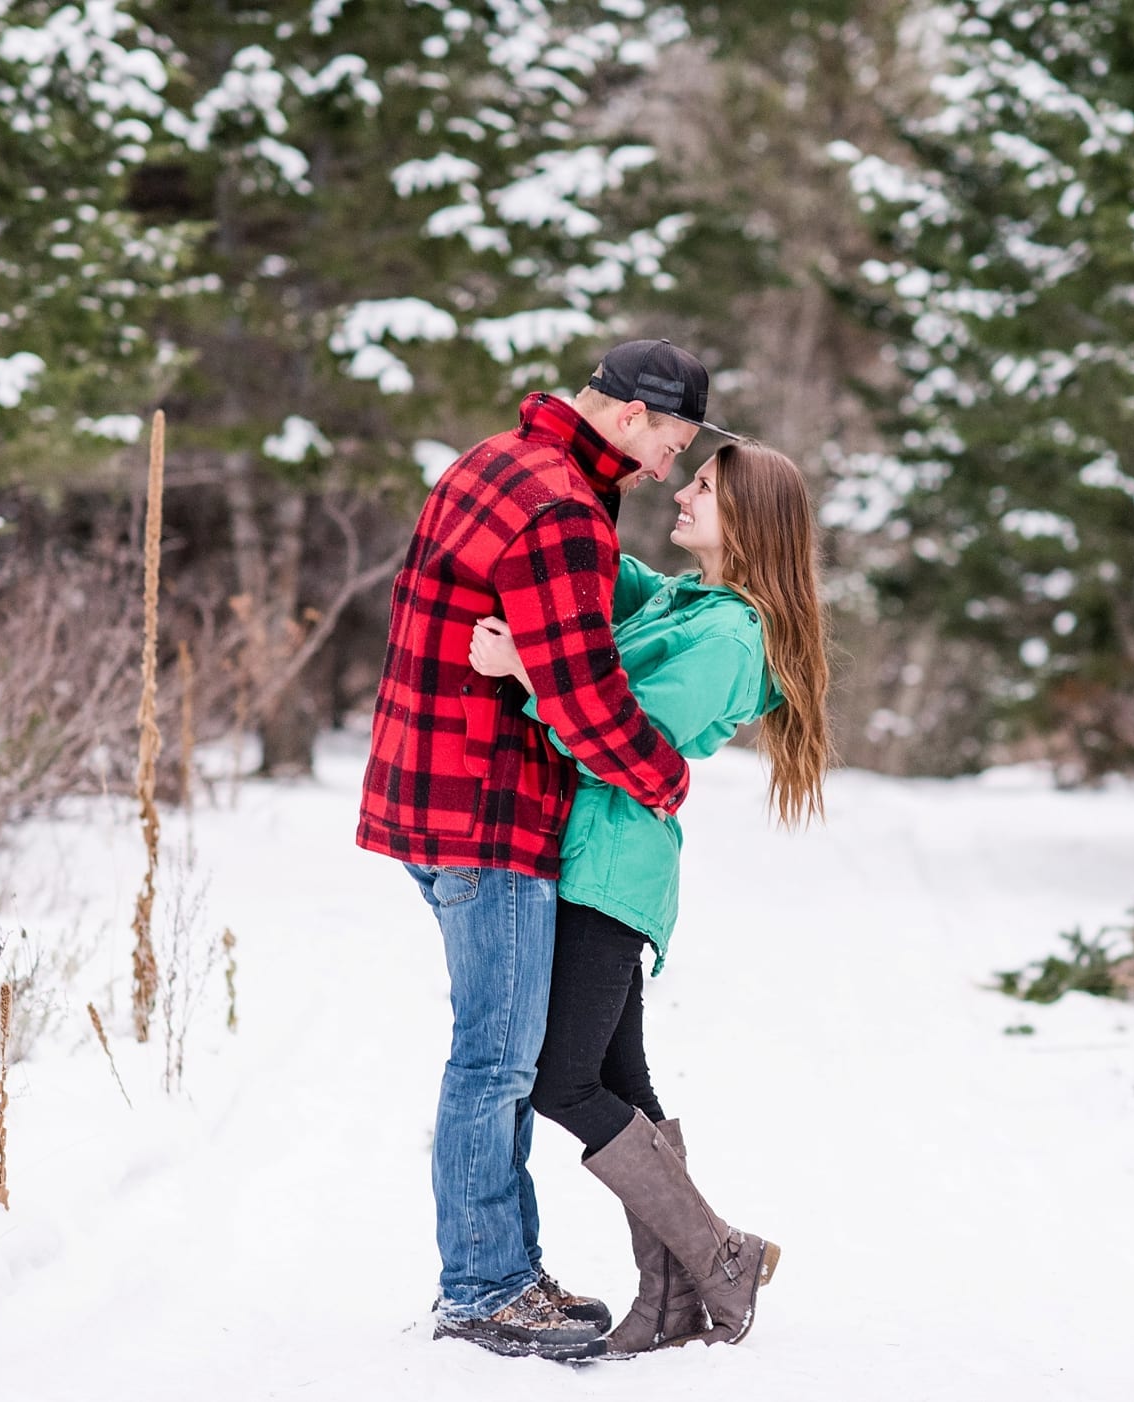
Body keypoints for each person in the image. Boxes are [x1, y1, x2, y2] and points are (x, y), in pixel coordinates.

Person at [357, 340, 735, 1362]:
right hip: (490, 810)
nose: (666, 467)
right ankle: (487, 1286)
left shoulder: (490, 463)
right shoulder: (564, 505)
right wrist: (667, 778)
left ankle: (502, 1270)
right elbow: (585, 697)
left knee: (497, 1052)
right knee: (498, 1059)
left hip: (424, 796)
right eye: (671, 440)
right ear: (629, 414)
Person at [468, 439, 830, 1353]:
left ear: (748, 519)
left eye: (703, 488)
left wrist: (525, 671)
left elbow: (622, 738)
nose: (682, 490)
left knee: (564, 1081)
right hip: (589, 856)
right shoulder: (687, 601)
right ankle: (669, 1302)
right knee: (623, 1081)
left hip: (612, 866)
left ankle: (721, 1252)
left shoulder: (730, 636)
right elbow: (602, 573)